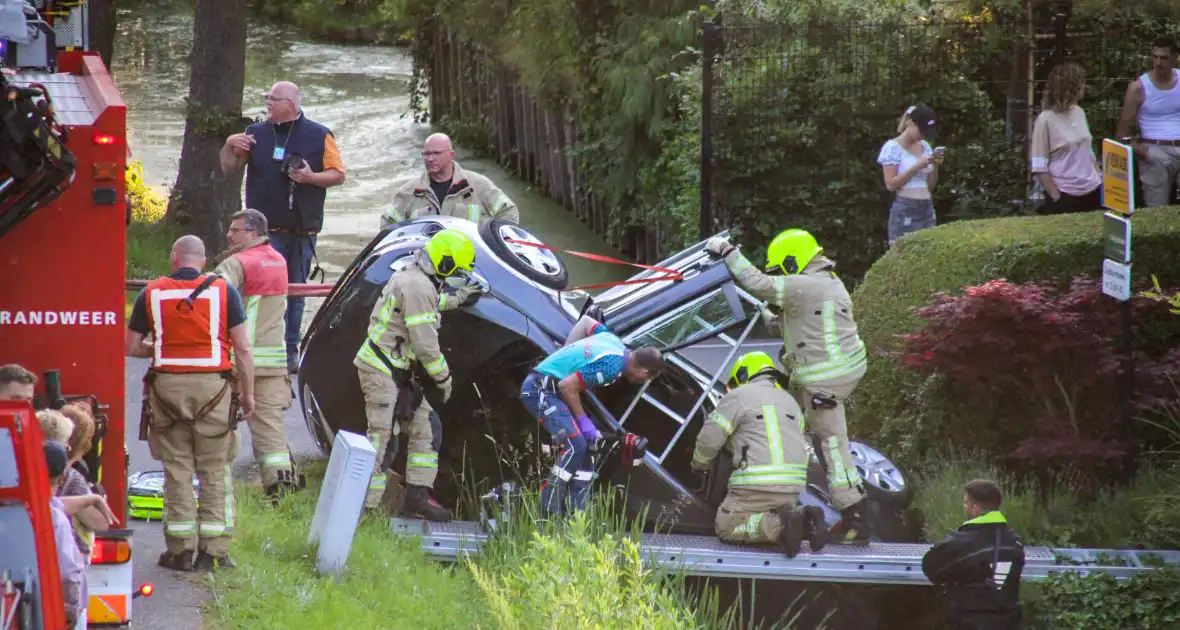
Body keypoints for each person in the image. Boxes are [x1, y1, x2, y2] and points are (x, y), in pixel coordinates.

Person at [706, 229, 872, 543]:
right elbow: (793, 323)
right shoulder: (824, 284)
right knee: (831, 444)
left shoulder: (805, 285)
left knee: (831, 446)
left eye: (782, 269)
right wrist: (766, 313)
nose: (782, 276)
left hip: (824, 382)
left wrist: (728, 252)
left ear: (794, 261)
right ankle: (855, 513)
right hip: (835, 377)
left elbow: (759, 283)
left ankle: (856, 517)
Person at [125, 235, 256, 571]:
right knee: (215, 470)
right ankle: (213, 553)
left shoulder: (151, 292)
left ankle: (180, 551)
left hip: (165, 390)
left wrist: (166, 349)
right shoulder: (225, 291)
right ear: (203, 260)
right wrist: (249, 394)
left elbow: (131, 346)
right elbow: (242, 348)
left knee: (177, 469)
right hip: (214, 390)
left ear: (173, 258)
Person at [353, 228, 481, 520]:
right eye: (457, 272)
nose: (457, 276)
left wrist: (460, 297)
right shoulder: (417, 285)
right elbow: (425, 345)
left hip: (397, 370)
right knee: (383, 442)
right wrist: (444, 379)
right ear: (444, 263)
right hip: (381, 370)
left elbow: (433, 305)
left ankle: (416, 498)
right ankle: (363, 511)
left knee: (427, 428)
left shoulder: (420, 280)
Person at [220, 80, 348, 373]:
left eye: (272, 99)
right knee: (254, 289)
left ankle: (291, 350)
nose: (267, 103)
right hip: (260, 233)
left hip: (301, 229)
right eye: (267, 98)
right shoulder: (254, 133)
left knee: (294, 292)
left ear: (290, 104)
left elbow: (338, 175)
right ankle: (247, 347)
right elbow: (229, 168)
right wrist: (229, 144)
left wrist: (310, 178)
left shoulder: (319, 134)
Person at [518, 314, 665, 517]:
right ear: (643, 372)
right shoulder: (611, 367)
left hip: (549, 388)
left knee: (589, 447)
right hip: (539, 390)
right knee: (575, 444)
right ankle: (548, 510)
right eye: (647, 379)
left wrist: (563, 357)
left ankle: (577, 513)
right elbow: (567, 386)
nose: (643, 382)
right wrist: (583, 421)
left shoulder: (614, 342)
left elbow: (586, 321)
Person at [690, 352, 827, 558]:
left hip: (755, 485)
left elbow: (709, 437)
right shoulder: (790, 403)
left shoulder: (738, 396)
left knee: (727, 525)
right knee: (767, 514)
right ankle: (802, 518)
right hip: (792, 487)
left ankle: (780, 525)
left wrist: (699, 465)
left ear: (743, 375)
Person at [213, 208, 298, 500]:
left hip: (239, 360)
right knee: (269, 429)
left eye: (234, 230)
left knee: (219, 423)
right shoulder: (279, 260)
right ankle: (281, 490)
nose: (228, 234)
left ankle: (217, 490)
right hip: (273, 363)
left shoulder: (235, 263)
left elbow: (207, 297)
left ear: (252, 233)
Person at [922, 479, 1026, 630]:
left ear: (976, 509)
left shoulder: (959, 542)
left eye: (966, 503)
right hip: (1009, 621)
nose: (964, 506)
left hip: (970, 621)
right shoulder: (1014, 541)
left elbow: (930, 568)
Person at [380, 133, 520, 228]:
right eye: (427, 154)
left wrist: (492, 240)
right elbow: (388, 226)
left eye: (436, 153)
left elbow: (509, 212)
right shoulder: (408, 192)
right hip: (424, 264)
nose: (430, 158)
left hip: (474, 262)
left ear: (451, 155)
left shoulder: (478, 185)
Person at [1116, 36, 1180, 209]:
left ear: (1175, 58)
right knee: (1157, 212)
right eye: (1155, 57)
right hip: (1155, 150)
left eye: (1164, 58)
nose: (1158, 62)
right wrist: (1143, 151)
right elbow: (1121, 134)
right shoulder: (1138, 88)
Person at [1032, 61, 1103, 214]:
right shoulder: (1045, 120)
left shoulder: (1079, 112)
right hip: (1066, 196)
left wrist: (1099, 176)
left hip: (1093, 190)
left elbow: (1087, 149)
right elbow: (1039, 166)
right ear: (1072, 89)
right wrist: (1057, 198)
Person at [877, 104, 945, 246]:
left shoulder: (925, 146)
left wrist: (935, 166)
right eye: (921, 130)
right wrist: (917, 166)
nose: (923, 135)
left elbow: (930, 186)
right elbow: (891, 185)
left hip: (926, 207)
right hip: (906, 208)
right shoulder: (892, 148)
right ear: (910, 122)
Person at [44, 440, 88, 628]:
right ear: (62, 478)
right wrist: (69, 615)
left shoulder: (12, 508)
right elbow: (68, 575)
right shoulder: (54, 519)